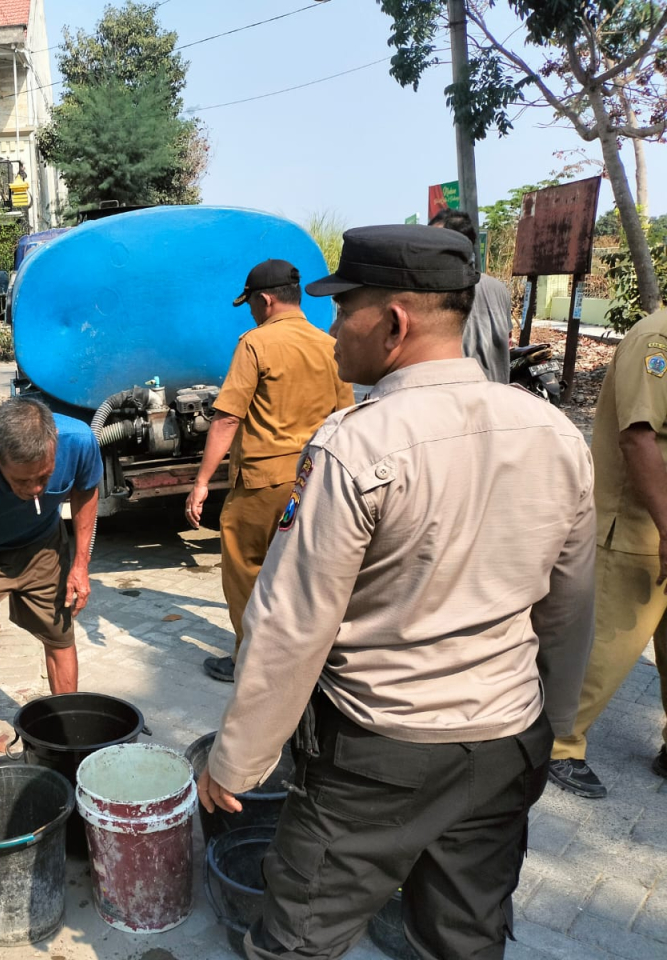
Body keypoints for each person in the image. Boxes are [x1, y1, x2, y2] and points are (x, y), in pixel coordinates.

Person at [198, 225, 594, 960]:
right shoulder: (555, 434)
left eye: (344, 306)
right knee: (465, 937)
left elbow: (292, 625)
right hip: (506, 744)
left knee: (299, 937)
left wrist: (237, 759)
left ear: (394, 320)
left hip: (379, 754)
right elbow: (570, 606)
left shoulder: (355, 446)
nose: (333, 325)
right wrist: (556, 724)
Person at [185, 259, 353, 683]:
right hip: (314, 479)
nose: (252, 314)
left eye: (252, 306)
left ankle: (250, 661)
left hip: (261, 484)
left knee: (246, 569)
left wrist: (202, 482)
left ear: (265, 300)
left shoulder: (256, 344)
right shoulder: (328, 344)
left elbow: (226, 419)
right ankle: (307, 659)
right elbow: (346, 416)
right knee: (305, 572)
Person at [0, 397, 100, 783]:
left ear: (55, 446)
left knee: (60, 631)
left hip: (42, 546)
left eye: (44, 476)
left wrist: (80, 563)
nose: (37, 489)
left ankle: (64, 741)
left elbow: (86, 491)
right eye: (22, 480)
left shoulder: (78, 440)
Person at [548, 305, 667, 798]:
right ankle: (557, 744)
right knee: (604, 648)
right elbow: (638, 438)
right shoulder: (657, 339)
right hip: (639, 529)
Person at [429, 208, 512, 383]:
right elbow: (508, 340)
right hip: (494, 394)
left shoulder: (436, 288)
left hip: (456, 397)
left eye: (434, 242)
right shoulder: (499, 288)